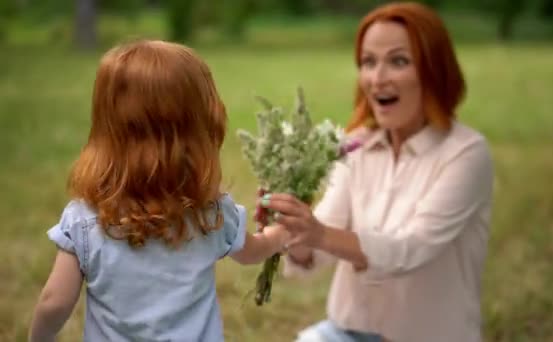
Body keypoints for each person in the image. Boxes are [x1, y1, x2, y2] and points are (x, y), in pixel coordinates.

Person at [260, 2, 494, 341]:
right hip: (347, 332)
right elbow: (323, 238)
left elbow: (410, 249)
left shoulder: (466, 154)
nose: (377, 78)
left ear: (434, 71)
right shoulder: (356, 146)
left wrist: (320, 233)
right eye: (368, 62)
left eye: (398, 61)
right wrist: (295, 232)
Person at [28, 40, 290, 342]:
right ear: (199, 131)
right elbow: (252, 252)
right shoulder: (211, 213)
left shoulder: (84, 220)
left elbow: (55, 302)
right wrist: (280, 235)